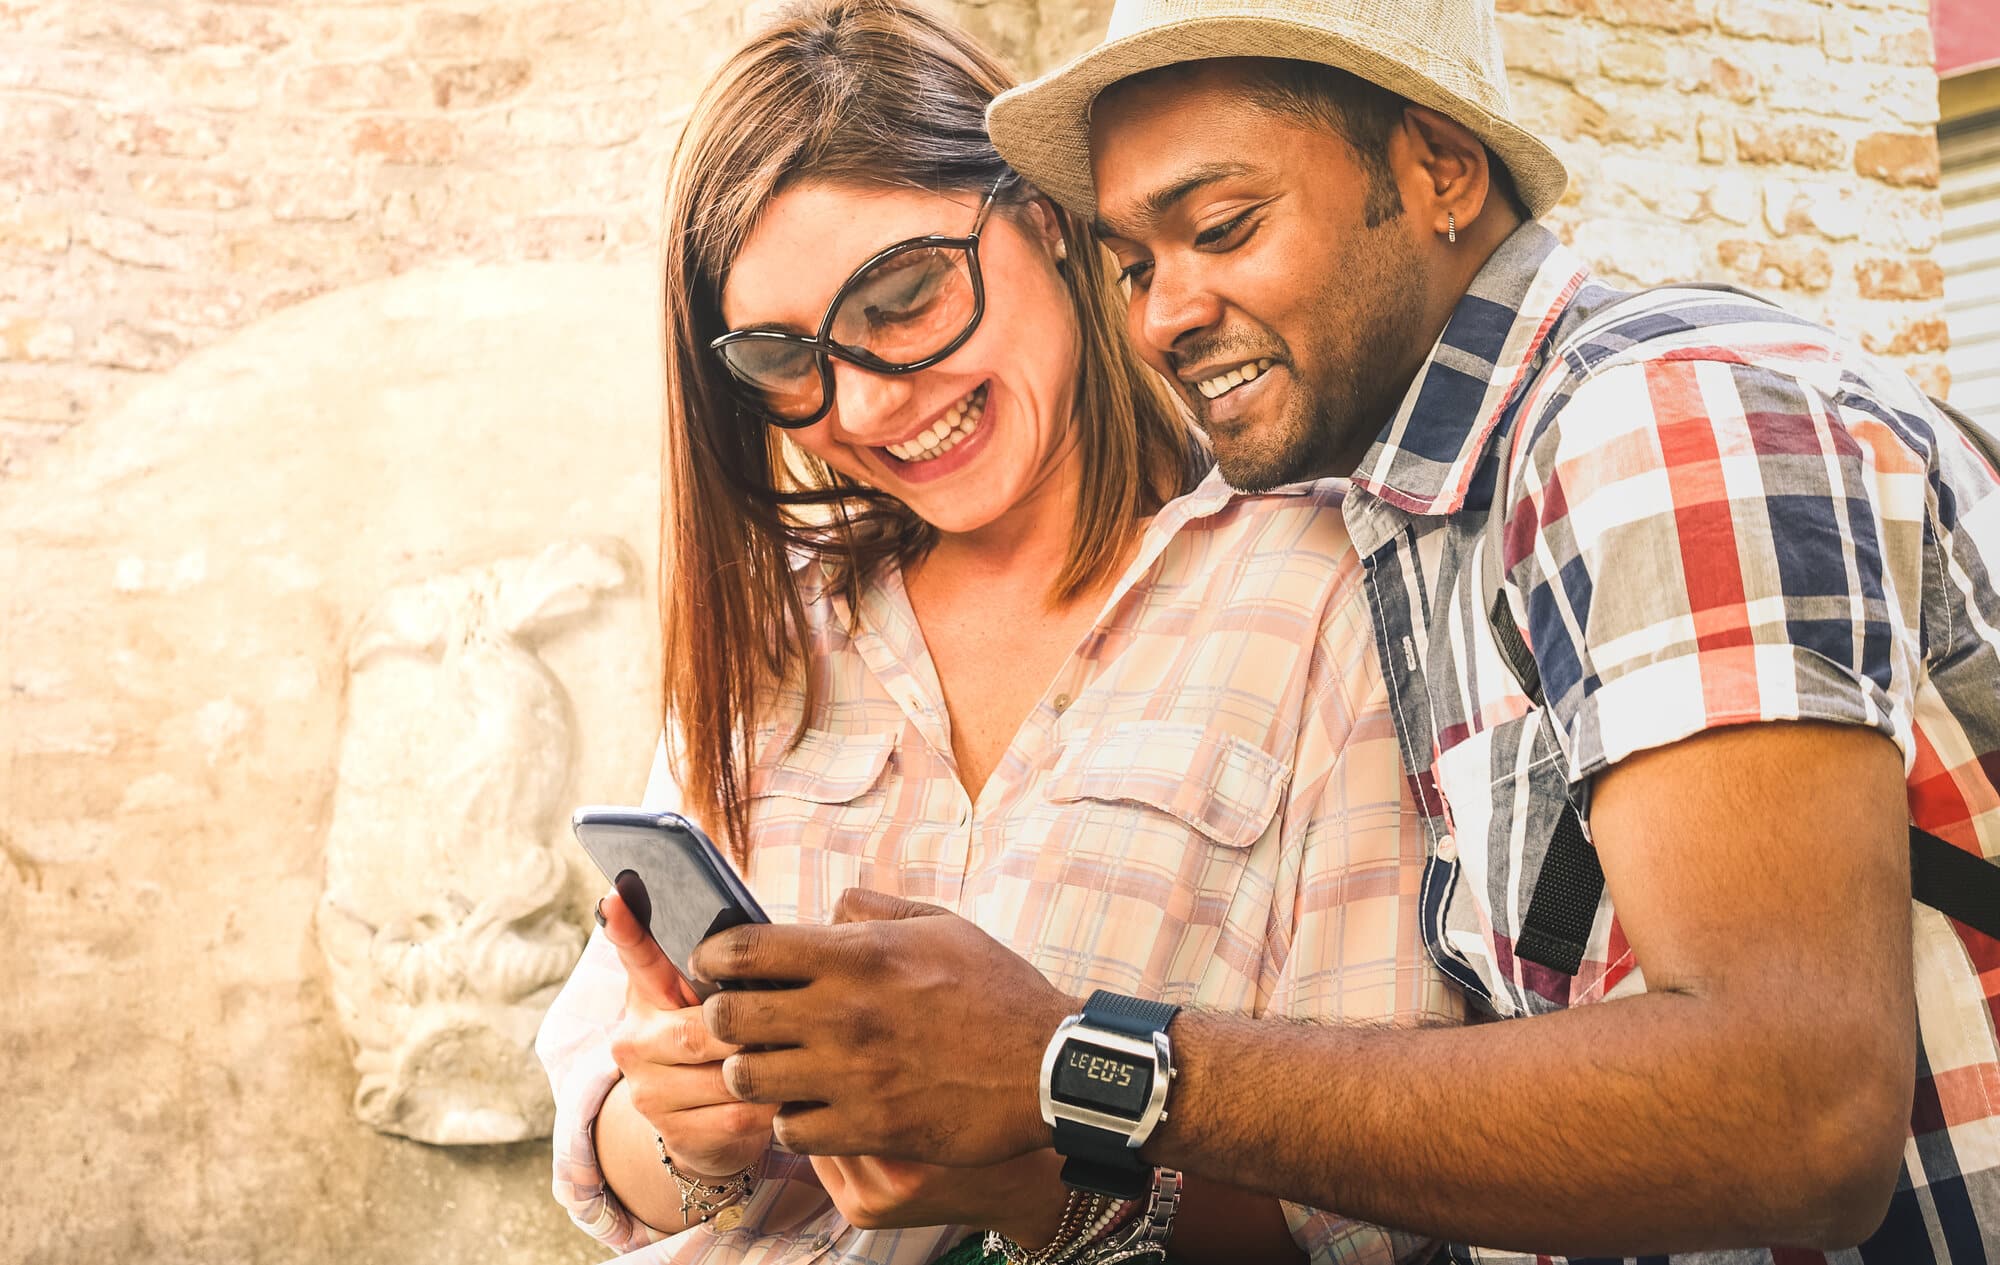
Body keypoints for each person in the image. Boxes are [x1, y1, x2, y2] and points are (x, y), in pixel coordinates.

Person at [683, 1, 2000, 1262]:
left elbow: (1800, 1119)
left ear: (1438, 168)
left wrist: (1072, 1054)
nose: (1163, 313)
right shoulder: (1413, 515)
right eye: (1136, 261)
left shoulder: (1646, 417)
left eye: (1224, 224)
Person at [534, 2, 1461, 1263]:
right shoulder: (771, 637)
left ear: (1043, 221)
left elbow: (1384, 1212)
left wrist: (1044, 1177)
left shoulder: (1313, 590)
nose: (859, 402)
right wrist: (687, 1129)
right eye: (780, 357)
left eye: (905, 297)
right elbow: (615, 1154)